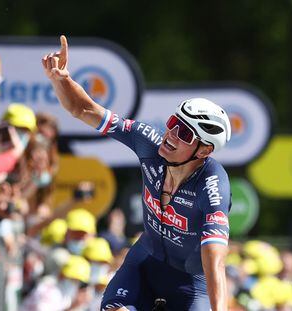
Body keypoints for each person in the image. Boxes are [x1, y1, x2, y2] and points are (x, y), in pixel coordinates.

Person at [42, 36, 232, 311]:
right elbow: (82, 109)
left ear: (203, 151)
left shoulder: (213, 184)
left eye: (185, 133)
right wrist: (61, 79)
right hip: (146, 262)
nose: (172, 134)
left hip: (191, 284)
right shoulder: (148, 142)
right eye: (173, 122)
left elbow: (214, 259)